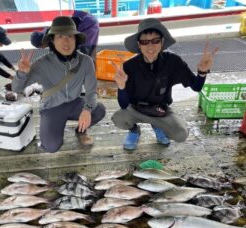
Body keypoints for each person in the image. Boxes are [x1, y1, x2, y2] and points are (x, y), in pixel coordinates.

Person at [112, 18, 218, 150]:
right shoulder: (129, 66)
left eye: (155, 41)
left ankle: (158, 125)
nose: (150, 46)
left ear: (162, 42)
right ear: (139, 45)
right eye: (145, 42)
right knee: (118, 119)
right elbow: (123, 105)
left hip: (160, 111)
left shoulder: (173, 62)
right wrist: (121, 87)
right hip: (136, 110)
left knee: (181, 135)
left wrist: (202, 72)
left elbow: (196, 86)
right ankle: (134, 130)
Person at [12, 16, 105, 153]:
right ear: (52, 41)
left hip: (75, 103)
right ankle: (55, 129)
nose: (66, 41)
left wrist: (86, 110)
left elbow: (91, 92)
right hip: (51, 108)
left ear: (76, 40)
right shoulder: (42, 63)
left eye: (70, 36)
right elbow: (17, 89)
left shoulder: (86, 61)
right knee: (51, 147)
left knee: (99, 110)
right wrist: (22, 73)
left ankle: (81, 130)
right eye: (60, 36)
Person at [30, 10, 99, 63]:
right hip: (86, 17)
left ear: (42, 43)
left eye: (41, 47)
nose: (43, 48)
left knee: (86, 52)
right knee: (87, 51)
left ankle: (89, 71)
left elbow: (55, 55)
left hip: (87, 24)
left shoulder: (51, 37)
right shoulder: (46, 31)